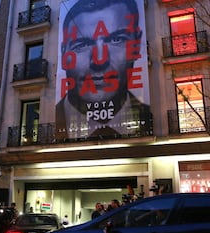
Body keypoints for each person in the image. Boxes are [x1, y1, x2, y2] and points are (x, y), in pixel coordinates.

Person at [56, 0, 152, 140]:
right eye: (82, 44)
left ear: (136, 45)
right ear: (64, 53)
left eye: (116, 39)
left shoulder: (144, 111)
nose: (99, 60)